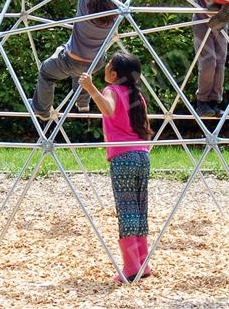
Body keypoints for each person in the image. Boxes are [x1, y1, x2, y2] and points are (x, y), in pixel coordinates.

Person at [78, 51, 152, 283]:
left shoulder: (112, 91)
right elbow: (145, 125)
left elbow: (108, 109)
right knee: (139, 209)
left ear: (114, 73)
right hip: (142, 155)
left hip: (123, 157)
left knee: (127, 209)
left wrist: (91, 90)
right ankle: (143, 263)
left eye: (108, 65)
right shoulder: (138, 96)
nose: (105, 69)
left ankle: (131, 268)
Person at [29, 0, 121, 121]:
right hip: (95, 63)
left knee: (46, 73)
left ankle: (42, 110)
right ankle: (82, 101)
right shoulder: (115, 14)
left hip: (70, 61)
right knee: (82, 70)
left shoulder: (84, 7)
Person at [170, 0, 228, 119]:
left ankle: (214, 102)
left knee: (220, 63)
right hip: (202, 22)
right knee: (209, 61)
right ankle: (202, 102)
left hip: (221, 22)